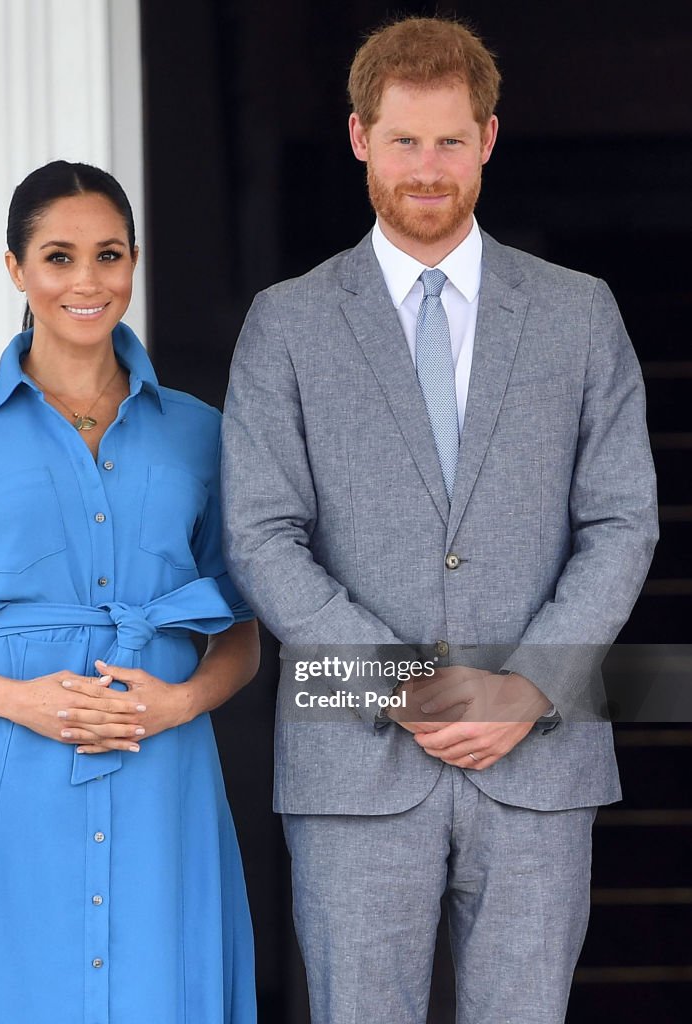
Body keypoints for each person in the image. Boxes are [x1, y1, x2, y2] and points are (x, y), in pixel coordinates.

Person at [221, 16, 657, 1024]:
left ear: (489, 140)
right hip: (354, 763)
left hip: (539, 760)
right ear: (359, 136)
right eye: (405, 139)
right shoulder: (286, 323)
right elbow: (260, 531)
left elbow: (624, 520)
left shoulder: (579, 313)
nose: (428, 166)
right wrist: (402, 680)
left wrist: (529, 684)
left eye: (450, 140)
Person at [0, 160, 259, 1024]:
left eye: (108, 255)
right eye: (58, 257)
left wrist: (178, 707)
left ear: (134, 264)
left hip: (164, 769)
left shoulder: (200, 431)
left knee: (167, 991)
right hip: (16, 769)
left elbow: (243, 629)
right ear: (16, 269)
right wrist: (18, 703)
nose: (87, 281)